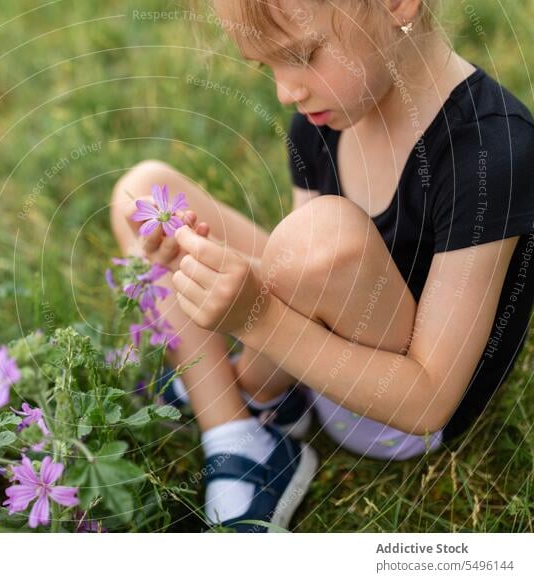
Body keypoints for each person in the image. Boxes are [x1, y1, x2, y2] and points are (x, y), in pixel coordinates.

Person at [109, 0, 534, 532]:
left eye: (304, 54)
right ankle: (238, 436)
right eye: (269, 66)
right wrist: (209, 265)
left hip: (390, 412)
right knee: (143, 191)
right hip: (313, 355)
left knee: (321, 234)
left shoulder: (493, 152)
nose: (287, 91)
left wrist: (252, 316)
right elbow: (295, 277)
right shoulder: (322, 116)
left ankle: (238, 387)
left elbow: (429, 403)